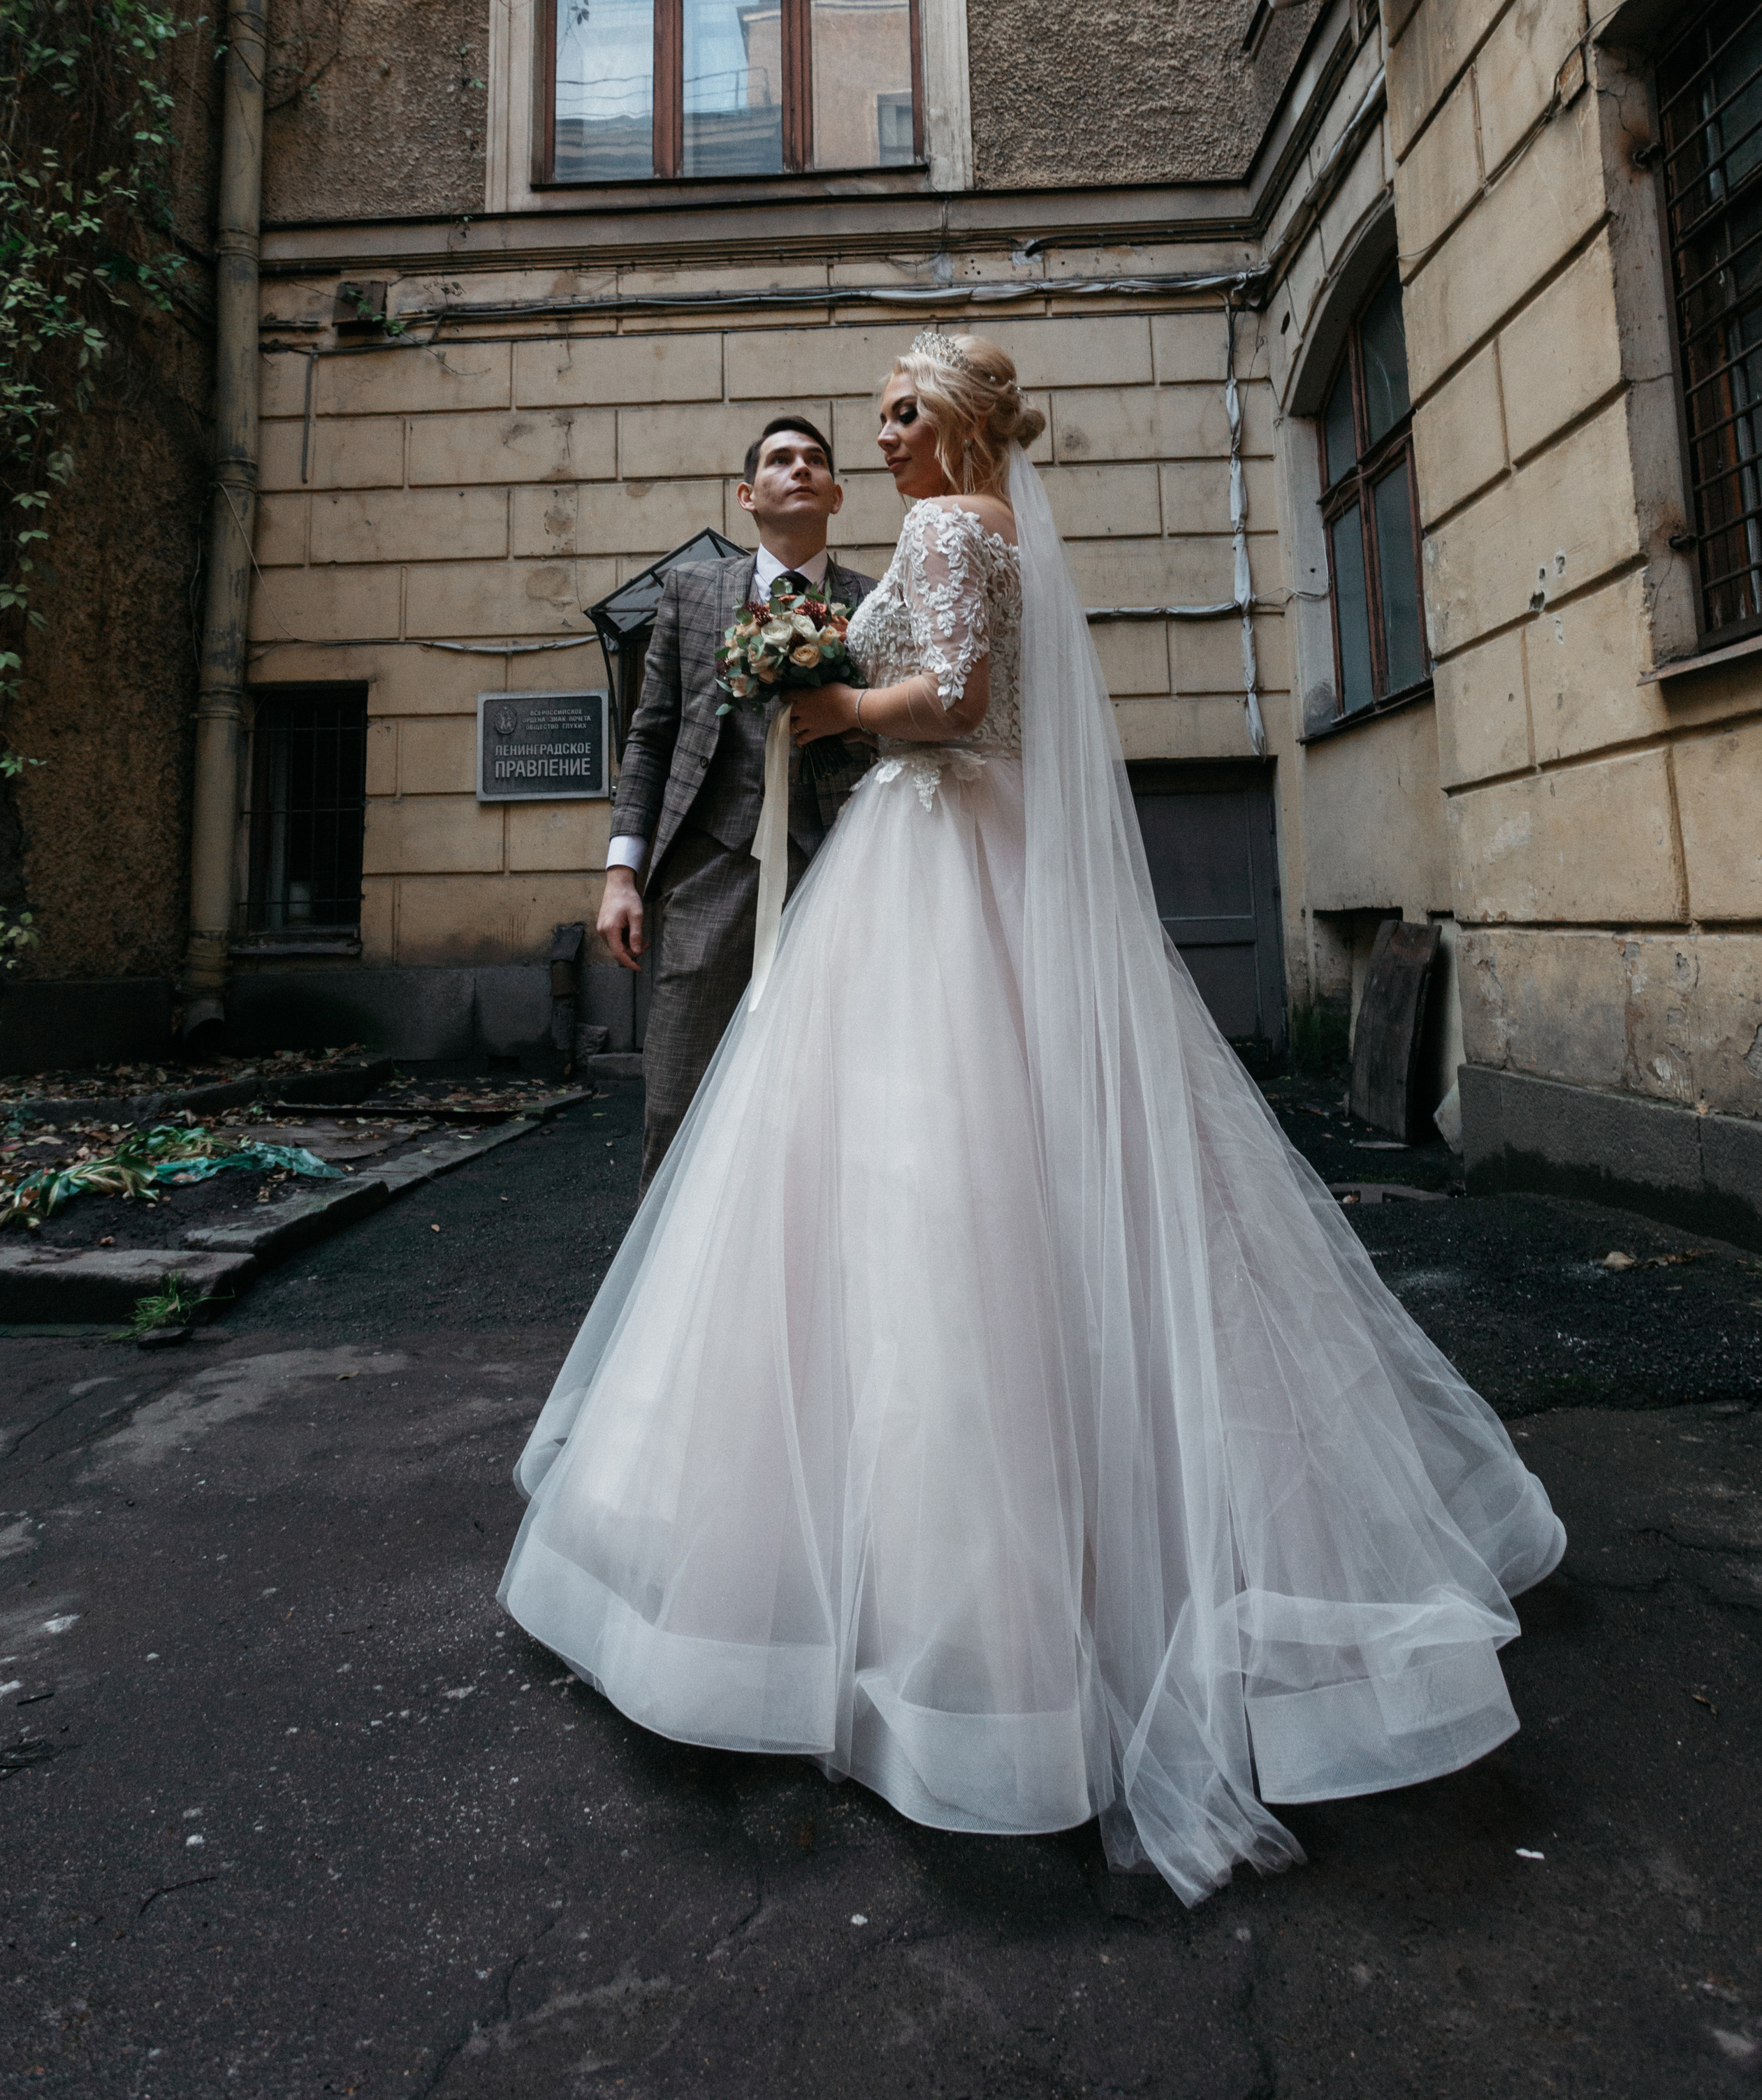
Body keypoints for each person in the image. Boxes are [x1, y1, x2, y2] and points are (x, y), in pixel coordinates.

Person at [502, 332, 1564, 1907]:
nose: (877, 440)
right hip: (950, 857)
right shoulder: (980, 532)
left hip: (938, 859)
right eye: (869, 419)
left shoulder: (947, 529)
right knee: (973, 1172)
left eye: (898, 413)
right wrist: (828, 696)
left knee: (923, 1187)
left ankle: (916, 1618)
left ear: (963, 426)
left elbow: (960, 701)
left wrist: (839, 707)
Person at [597, 415, 877, 1189]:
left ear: (838, 495)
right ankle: (670, 1297)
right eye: (781, 460)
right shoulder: (690, 593)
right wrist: (622, 875)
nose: (802, 469)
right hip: (708, 870)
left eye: (817, 460)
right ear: (747, 495)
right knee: (678, 1097)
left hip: (838, 873)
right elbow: (649, 738)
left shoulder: (874, 602)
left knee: (833, 1096)